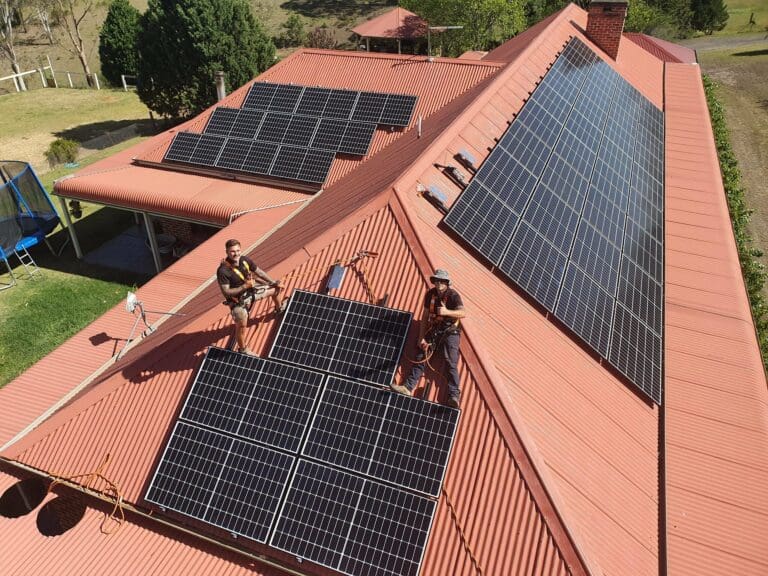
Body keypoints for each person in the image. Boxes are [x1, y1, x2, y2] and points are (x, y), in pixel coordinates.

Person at [392, 269, 466, 408]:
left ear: (447, 283)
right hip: (435, 329)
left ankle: (454, 395)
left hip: (451, 332)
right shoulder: (430, 294)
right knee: (422, 355)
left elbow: (463, 313)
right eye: (436, 280)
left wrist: (447, 312)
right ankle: (408, 388)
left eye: (442, 281)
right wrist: (421, 337)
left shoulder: (453, 295)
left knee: (450, 361)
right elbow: (425, 316)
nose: (439, 283)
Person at [217, 239, 284, 355]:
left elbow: (260, 272)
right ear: (227, 252)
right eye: (232, 251)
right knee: (242, 324)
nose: (236, 253)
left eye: (238, 250)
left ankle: (279, 309)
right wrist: (245, 286)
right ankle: (243, 349)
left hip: (250, 290)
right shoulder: (223, 271)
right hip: (237, 300)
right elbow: (227, 292)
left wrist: (274, 282)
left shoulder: (245, 260)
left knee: (275, 290)